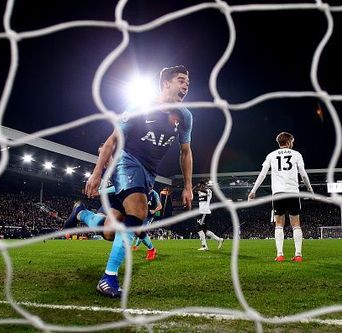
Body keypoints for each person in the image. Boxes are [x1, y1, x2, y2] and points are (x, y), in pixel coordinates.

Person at [64, 65, 193, 298]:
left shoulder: (184, 117)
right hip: (127, 161)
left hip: (150, 173)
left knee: (112, 231)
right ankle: (108, 278)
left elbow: (185, 152)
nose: (186, 85)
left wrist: (188, 186)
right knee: (139, 211)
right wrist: (96, 173)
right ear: (166, 83)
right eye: (181, 80)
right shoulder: (139, 108)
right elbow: (113, 140)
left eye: (187, 82)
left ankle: (81, 213)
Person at [248, 132, 314, 262]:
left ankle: (280, 255)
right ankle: (298, 254)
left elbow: (262, 174)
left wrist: (253, 191)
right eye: (292, 142)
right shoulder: (296, 155)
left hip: (278, 193)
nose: (293, 144)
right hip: (293, 192)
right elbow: (304, 174)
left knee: (279, 224)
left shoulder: (271, 155)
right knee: (296, 224)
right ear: (289, 142)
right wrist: (310, 189)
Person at [131, 188, 162, 261]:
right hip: (141, 215)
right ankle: (136, 246)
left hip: (148, 217)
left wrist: (154, 210)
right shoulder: (142, 191)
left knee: (141, 231)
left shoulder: (154, 194)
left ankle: (151, 250)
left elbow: (160, 206)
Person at [193, 181, 224, 250]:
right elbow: (193, 191)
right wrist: (196, 185)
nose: (201, 187)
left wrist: (199, 187)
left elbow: (204, 191)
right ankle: (219, 240)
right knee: (204, 231)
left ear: (204, 185)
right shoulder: (200, 191)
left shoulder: (208, 191)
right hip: (202, 213)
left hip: (205, 213)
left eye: (202, 185)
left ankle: (204, 246)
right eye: (200, 186)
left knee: (198, 228)